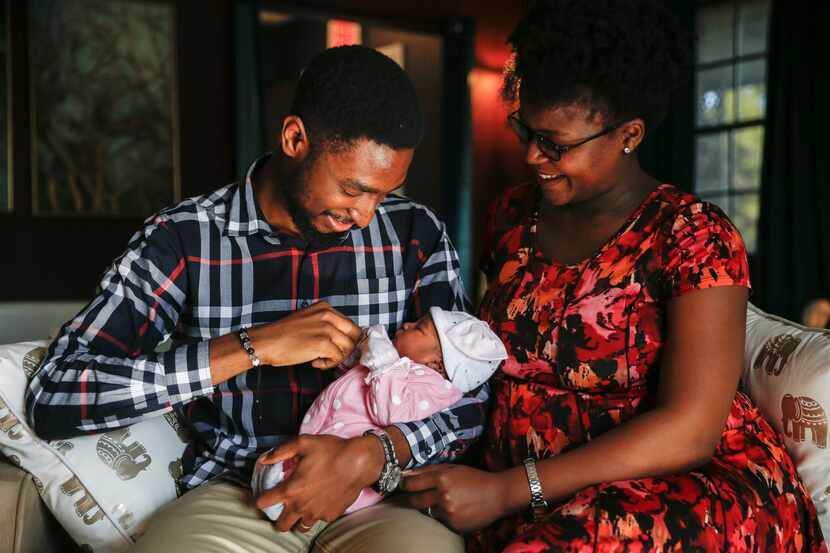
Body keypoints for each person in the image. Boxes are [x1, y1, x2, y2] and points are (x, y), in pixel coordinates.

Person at [399, 1, 826, 551]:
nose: (532, 154)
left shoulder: (692, 235)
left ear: (629, 134)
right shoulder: (511, 214)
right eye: (524, 129)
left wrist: (509, 490)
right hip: (530, 488)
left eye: (556, 143)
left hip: (679, 488)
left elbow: (691, 430)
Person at [25, 45, 483, 553]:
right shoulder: (185, 238)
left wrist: (371, 455)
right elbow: (55, 395)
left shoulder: (415, 233)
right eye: (353, 190)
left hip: (378, 497)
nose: (367, 216)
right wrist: (249, 347)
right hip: (238, 493)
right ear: (295, 139)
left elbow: (474, 396)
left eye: (384, 193)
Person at [252, 307, 507, 521]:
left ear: (436, 364)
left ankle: (285, 502)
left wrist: (382, 358)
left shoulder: (433, 388)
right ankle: (278, 488)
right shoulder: (402, 365)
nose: (406, 324)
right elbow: (361, 379)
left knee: (297, 479)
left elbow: (391, 410)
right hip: (327, 435)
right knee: (282, 467)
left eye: (419, 328)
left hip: (351, 467)